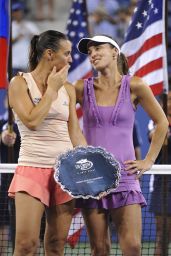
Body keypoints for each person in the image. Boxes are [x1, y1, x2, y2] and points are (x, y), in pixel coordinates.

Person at [75, 35, 168, 256]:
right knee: (100, 249)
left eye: (98, 48)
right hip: (92, 178)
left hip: (125, 176)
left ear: (115, 52)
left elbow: (162, 122)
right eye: (89, 52)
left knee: (133, 247)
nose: (93, 54)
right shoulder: (80, 88)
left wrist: (149, 160)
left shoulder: (135, 85)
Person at [8, 30, 87, 256]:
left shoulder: (69, 89)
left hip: (65, 173)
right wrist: (52, 90)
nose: (71, 59)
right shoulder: (19, 83)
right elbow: (32, 121)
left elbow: (75, 134)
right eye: (67, 53)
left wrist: (91, 167)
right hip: (32, 167)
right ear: (50, 54)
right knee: (25, 246)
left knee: (55, 245)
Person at [148, 91, 171, 256]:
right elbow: (155, 137)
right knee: (162, 237)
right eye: (169, 99)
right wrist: (164, 129)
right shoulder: (155, 122)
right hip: (163, 185)